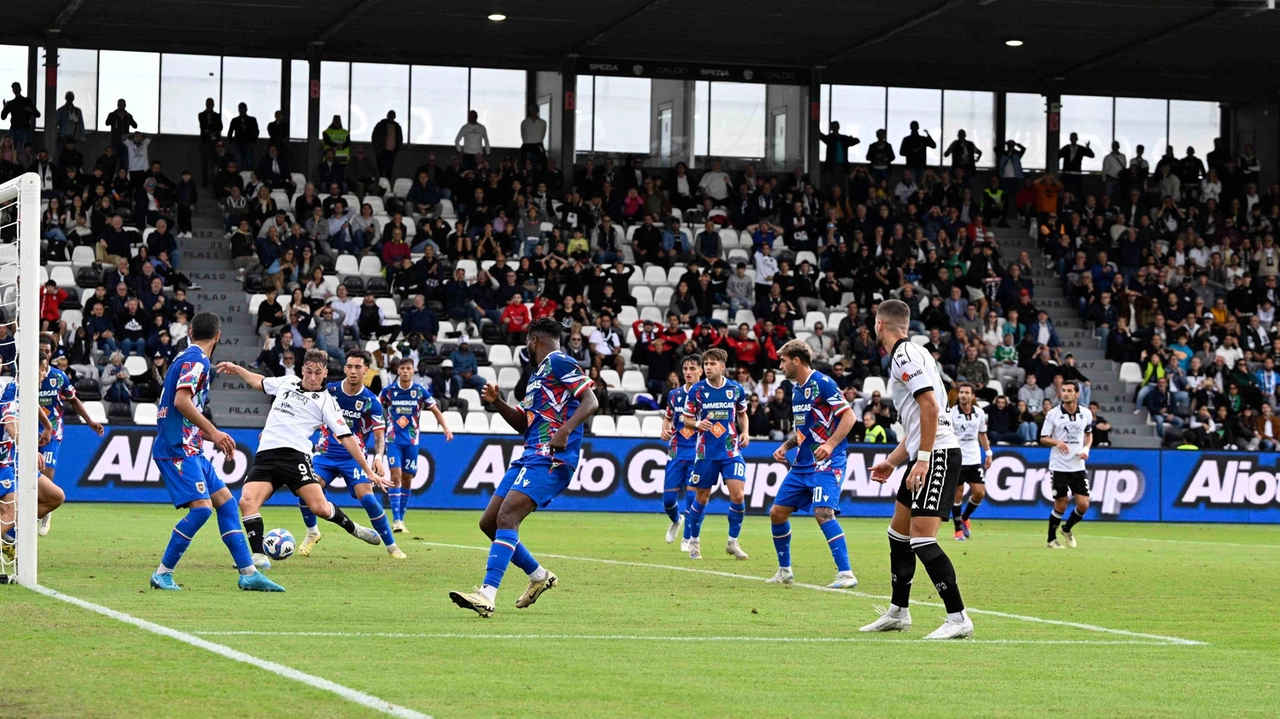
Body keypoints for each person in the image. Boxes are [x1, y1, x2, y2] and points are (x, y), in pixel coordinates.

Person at [448, 319, 598, 617]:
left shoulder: (559, 362)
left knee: (507, 517)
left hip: (552, 458)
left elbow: (590, 400)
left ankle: (487, 594)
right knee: (489, 523)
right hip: (530, 455)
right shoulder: (538, 375)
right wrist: (498, 402)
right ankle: (539, 576)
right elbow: (524, 424)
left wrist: (566, 429)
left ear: (533, 341)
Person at [146, 313, 283, 592]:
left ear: (191, 330)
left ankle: (248, 572)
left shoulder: (183, 357)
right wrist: (215, 432)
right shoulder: (197, 361)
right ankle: (163, 573)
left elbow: (181, 410)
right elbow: (182, 401)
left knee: (226, 503)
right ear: (218, 336)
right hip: (177, 449)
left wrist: (214, 436)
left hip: (189, 447)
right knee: (201, 510)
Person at [861, 299, 972, 640]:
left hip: (937, 453)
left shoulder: (905, 357)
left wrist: (923, 458)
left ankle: (958, 618)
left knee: (923, 539)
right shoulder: (918, 353)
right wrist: (894, 461)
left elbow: (930, 406)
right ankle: (898, 612)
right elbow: (919, 417)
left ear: (880, 324)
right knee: (899, 534)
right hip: (925, 450)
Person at [220, 350, 389, 569]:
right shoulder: (287, 382)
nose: (312, 377)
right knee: (247, 502)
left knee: (319, 508)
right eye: (308, 372)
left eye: (317, 373)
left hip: (295, 456)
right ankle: (259, 556)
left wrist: (368, 469)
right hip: (266, 455)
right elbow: (259, 382)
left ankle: (353, 528)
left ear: (325, 373)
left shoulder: (326, 401)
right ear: (302, 370)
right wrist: (238, 369)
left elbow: (347, 438)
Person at [766, 340, 859, 589]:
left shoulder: (823, 383)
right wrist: (786, 447)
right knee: (777, 513)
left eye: (783, 360)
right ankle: (785, 571)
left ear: (796, 360)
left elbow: (849, 416)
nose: (781, 365)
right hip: (802, 464)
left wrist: (829, 444)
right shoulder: (797, 391)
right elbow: (804, 431)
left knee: (823, 513)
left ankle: (846, 573)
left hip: (827, 462)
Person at [295, 349, 405, 559]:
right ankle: (312, 533)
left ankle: (392, 546)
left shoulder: (372, 401)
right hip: (325, 454)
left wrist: (378, 458)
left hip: (353, 459)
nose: (353, 371)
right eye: (349, 366)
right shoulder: (330, 391)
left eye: (358, 367)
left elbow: (379, 435)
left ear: (366, 370)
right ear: (344, 368)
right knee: (306, 490)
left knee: (369, 499)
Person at [3, 351, 104, 537]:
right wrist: (29, 451)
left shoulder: (35, 388)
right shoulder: (12, 390)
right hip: (9, 461)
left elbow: (35, 404)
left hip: (23, 454)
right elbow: (10, 423)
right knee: (12, 509)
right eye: (42, 369)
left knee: (56, 497)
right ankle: (11, 532)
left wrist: (48, 425)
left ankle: (11, 530)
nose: (44, 373)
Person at [681, 348, 751, 561]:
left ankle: (732, 542)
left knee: (738, 496)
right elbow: (686, 420)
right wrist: (697, 423)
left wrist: (745, 431)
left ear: (722, 366)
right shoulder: (697, 391)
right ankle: (693, 541)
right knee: (702, 498)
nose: (708, 368)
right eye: (706, 364)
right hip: (705, 453)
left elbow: (742, 414)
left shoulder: (735, 389)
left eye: (712, 364)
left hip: (730, 450)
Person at [380, 357, 453, 533]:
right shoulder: (389, 391)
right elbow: (374, 407)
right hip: (393, 440)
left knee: (407, 479)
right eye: (402, 368)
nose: (405, 371)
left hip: (412, 441)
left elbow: (435, 410)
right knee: (395, 476)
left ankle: (401, 519)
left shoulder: (420, 392)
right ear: (398, 371)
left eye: (408, 368)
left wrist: (446, 428)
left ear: (413, 371)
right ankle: (396, 519)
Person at [1041, 381, 1093, 549]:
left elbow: (1089, 435)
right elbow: (1043, 438)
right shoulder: (1053, 414)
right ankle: (1051, 539)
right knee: (1061, 503)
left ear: (1077, 394)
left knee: (1083, 504)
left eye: (1069, 391)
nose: (1065, 393)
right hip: (1059, 466)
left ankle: (1067, 528)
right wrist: (1057, 442)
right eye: (1063, 390)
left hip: (1078, 465)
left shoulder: (1085, 413)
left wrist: (1086, 449)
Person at [660, 356, 703, 551]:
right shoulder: (674, 395)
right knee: (669, 500)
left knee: (692, 498)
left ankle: (687, 539)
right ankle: (677, 520)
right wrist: (664, 429)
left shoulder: (706, 395)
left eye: (692, 368)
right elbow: (668, 418)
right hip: (676, 451)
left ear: (700, 371)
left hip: (697, 452)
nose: (688, 372)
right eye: (685, 368)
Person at [949, 383, 991, 541]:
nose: (963, 395)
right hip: (957, 458)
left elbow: (982, 434)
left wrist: (988, 453)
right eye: (961, 392)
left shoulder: (979, 413)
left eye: (967, 392)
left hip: (974, 459)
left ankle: (965, 517)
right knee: (957, 493)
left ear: (973, 396)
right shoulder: (952, 413)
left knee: (979, 492)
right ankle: (957, 530)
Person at [371, 110, 403, 179]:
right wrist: (377, 150)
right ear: (387, 115)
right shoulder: (381, 125)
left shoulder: (397, 127)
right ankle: (380, 186)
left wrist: (396, 150)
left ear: (395, 117)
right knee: (380, 170)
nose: (391, 117)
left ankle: (387, 186)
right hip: (381, 151)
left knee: (389, 171)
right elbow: (374, 137)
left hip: (392, 152)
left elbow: (400, 139)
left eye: (392, 115)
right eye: (390, 115)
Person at [197, 98, 222, 187]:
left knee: (214, 163)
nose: (210, 105)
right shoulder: (201, 115)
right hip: (205, 142)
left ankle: (214, 182)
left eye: (211, 103)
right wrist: (212, 129)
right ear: (206, 104)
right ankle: (205, 183)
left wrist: (210, 129)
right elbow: (203, 126)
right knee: (204, 163)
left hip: (214, 143)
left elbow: (220, 127)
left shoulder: (217, 115)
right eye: (208, 103)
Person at [227, 103, 259, 171]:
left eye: (243, 108)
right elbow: (230, 133)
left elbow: (256, 131)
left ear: (246, 109)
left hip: (248, 144)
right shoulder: (235, 120)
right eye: (240, 108)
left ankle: (249, 180)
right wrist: (232, 143)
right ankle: (238, 180)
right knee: (238, 164)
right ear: (238, 109)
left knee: (249, 164)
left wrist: (253, 141)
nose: (242, 109)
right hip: (238, 145)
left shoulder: (252, 120)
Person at [519, 104, 547, 170]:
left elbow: (543, 135)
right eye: (531, 109)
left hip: (538, 145)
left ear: (538, 110)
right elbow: (523, 135)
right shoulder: (524, 122)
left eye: (534, 109)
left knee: (539, 165)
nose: (533, 111)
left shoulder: (543, 122)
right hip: (527, 145)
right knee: (525, 164)